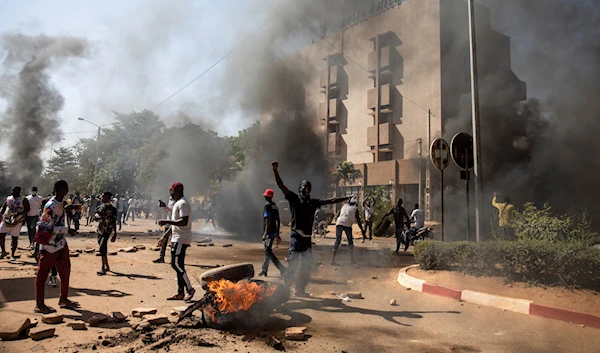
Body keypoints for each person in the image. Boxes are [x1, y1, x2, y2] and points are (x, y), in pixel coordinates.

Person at [271, 161, 350, 297]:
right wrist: (275, 170)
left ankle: (300, 290)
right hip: (296, 237)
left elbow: (331, 201)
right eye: (305, 187)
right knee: (293, 264)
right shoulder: (294, 199)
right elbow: (281, 185)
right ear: (300, 188)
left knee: (306, 266)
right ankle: (284, 290)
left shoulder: (313, 202)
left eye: (309, 187)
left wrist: (346, 197)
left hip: (307, 239)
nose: (307, 189)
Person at [35, 179, 79, 313]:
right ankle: (39, 305)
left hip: (60, 244)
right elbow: (45, 227)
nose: (65, 192)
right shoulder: (50, 206)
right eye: (64, 190)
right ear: (61, 191)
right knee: (42, 276)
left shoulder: (61, 204)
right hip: (49, 246)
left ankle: (63, 298)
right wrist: (67, 230)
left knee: (65, 272)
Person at [158, 182, 195, 302]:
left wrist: (166, 222)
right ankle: (180, 292)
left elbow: (183, 222)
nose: (170, 193)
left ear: (177, 191)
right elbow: (174, 223)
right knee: (178, 264)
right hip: (176, 237)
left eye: (172, 191)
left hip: (181, 237)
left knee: (176, 264)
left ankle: (189, 289)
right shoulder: (178, 204)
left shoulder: (183, 203)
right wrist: (165, 236)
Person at [258, 188, 286, 277]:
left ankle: (282, 269)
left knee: (268, 252)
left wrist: (265, 233)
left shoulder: (267, 206)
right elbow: (278, 220)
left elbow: (268, 220)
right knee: (267, 251)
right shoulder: (274, 206)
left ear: (266, 197)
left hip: (269, 233)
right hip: (273, 232)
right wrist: (277, 233)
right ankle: (264, 270)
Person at [332, 195, 365, 265]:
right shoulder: (355, 209)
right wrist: (362, 230)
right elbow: (358, 221)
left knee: (338, 240)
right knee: (350, 241)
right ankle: (352, 260)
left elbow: (338, 215)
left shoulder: (344, 206)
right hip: (347, 224)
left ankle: (333, 260)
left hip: (339, 223)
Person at [0, 186, 30, 261]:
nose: (14, 192)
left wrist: (20, 214)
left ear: (19, 191)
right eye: (13, 190)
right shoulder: (9, 198)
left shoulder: (24, 199)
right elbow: (4, 207)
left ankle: (12, 255)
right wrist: (1, 214)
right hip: (6, 219)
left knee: (14, 238)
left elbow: (27, 208)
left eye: (16, 191)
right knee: (1, 234)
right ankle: (3, 251)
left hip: (17, 220)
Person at [94, 192, 117, 275]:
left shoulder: (113, 209)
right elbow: (96, 217)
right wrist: (96, 218)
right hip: (100, 230)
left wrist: (115, 233)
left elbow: (114, 221)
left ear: (108, 198)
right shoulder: (100, 207)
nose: (102, 198)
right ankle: (107, 266)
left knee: (102, 247)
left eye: (104, 197)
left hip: (107, 230)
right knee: (103, 247)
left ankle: (103, 268)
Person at [153, 196, 174, 263]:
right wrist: (164, 206)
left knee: (173, 242)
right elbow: (168, 211)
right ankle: (161, 257)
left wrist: (165, 206)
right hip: (168, 222)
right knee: (164, 240)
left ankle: (173, 259)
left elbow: (174, 212)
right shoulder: (170, 200)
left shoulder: (177, 202)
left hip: (174, 223)